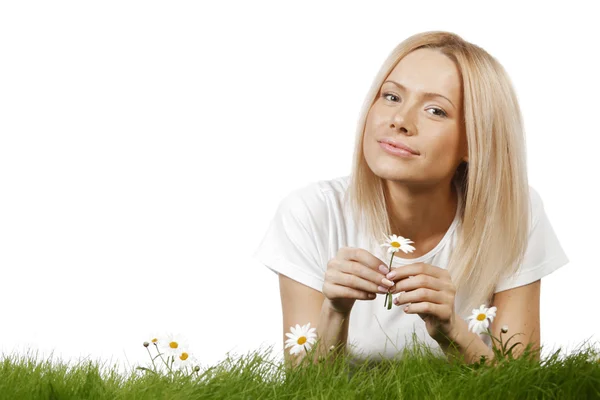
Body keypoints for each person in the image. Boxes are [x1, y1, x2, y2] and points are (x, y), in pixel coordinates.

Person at [252, 31, 569, 367]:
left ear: (474, 142)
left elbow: (523, 382)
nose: (400, 121)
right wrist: (334, 312)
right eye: (391, 97)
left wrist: (454, 333)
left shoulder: (514, 214)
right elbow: (303, 389)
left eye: (435, 110)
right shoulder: (310, 213)